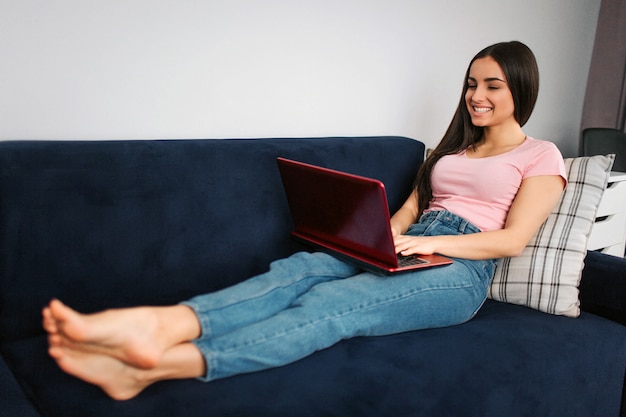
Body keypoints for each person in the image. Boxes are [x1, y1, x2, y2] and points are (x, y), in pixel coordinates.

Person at [42, 40, 567, 401]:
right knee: (300, 270)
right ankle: (159, 324)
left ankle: (152, 367)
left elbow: (513, 241)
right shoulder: (455, 149)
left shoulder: (541, 155)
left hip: (461, 270)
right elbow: (411, 208)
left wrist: (427, 248)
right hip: (411, 240)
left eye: (492, 85)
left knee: (335, 303)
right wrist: (380, 236)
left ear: (520, 88)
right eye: (472, 83)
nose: (476, 95)